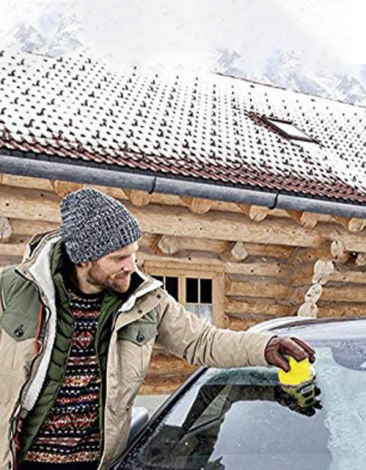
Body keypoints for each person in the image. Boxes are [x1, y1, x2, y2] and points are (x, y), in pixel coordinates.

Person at [0, 189, 315, 470]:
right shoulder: (14, 291)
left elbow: (202, 341)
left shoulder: (145, 299)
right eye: (119, 258)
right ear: (83, 259)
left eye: (133, 253)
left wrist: (264, 346)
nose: (130, 265)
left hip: (102, 463)